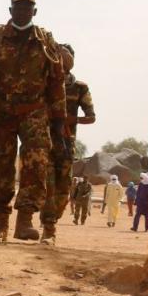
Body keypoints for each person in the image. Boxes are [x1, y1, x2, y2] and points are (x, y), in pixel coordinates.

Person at [0, 0, 68, 244]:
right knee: (1, 164)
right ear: (10, 11)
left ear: (35, 12)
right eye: (18, 8)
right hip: (2, 110)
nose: (22, 12)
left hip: (35, 110)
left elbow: (56, 80)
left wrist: (58, 120)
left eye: (28, 8)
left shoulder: (46, 40)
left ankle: (25, 221)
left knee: (36, 164)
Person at [38, 43, 95, 233]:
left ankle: (52, 219)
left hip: (66, 143)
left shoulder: (79, 88)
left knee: (63, 189)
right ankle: (48, 227)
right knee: (48, 185)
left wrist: (72, 119)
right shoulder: (44, 83)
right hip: (45, 141)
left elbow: (91, 117)